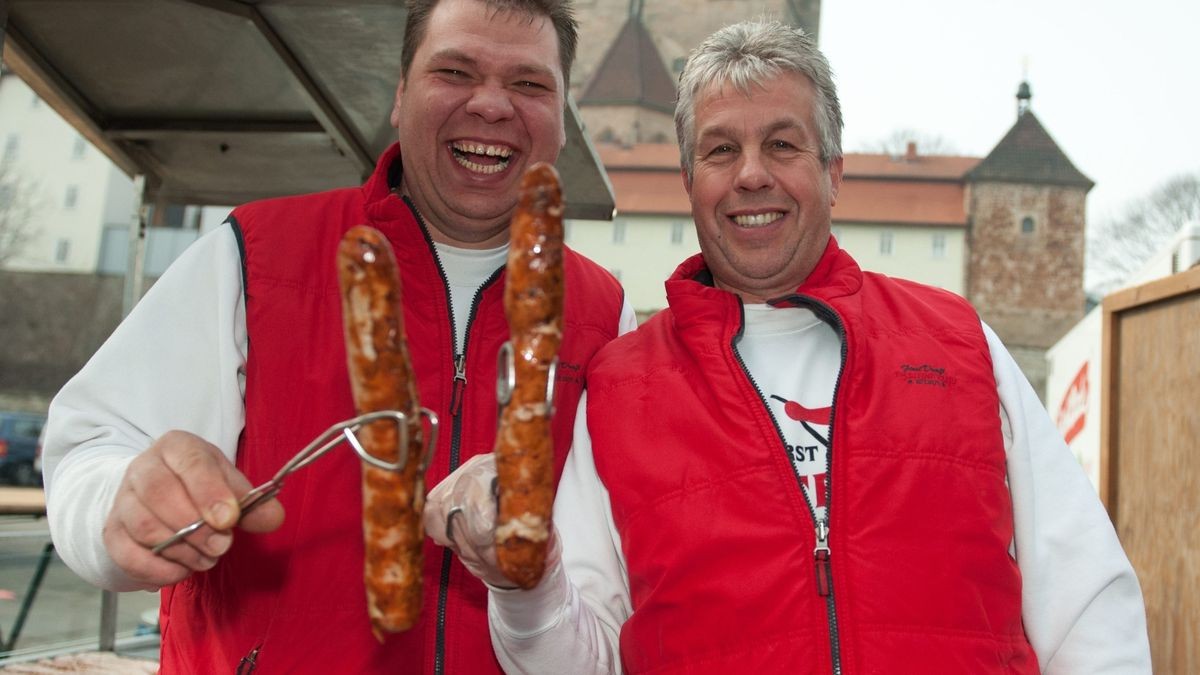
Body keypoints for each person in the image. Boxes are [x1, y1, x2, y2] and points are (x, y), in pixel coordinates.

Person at [423, 19, 1153, 674]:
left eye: (782, 143)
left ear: (834, 172)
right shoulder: (621, 386)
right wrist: (526, 583)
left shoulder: (959, 342)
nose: (750, 174)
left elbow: (1090, 605)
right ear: (688, 182)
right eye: (720, 150)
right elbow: (577, 663)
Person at [41, 0, 636, 672]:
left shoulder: (608, 315)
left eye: (529, 85)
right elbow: (90, 448)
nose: (492, 106)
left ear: (562, 121)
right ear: (401, 95)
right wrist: (118, 504)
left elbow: (601, 612)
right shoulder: (254, 254)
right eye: (455, 71)